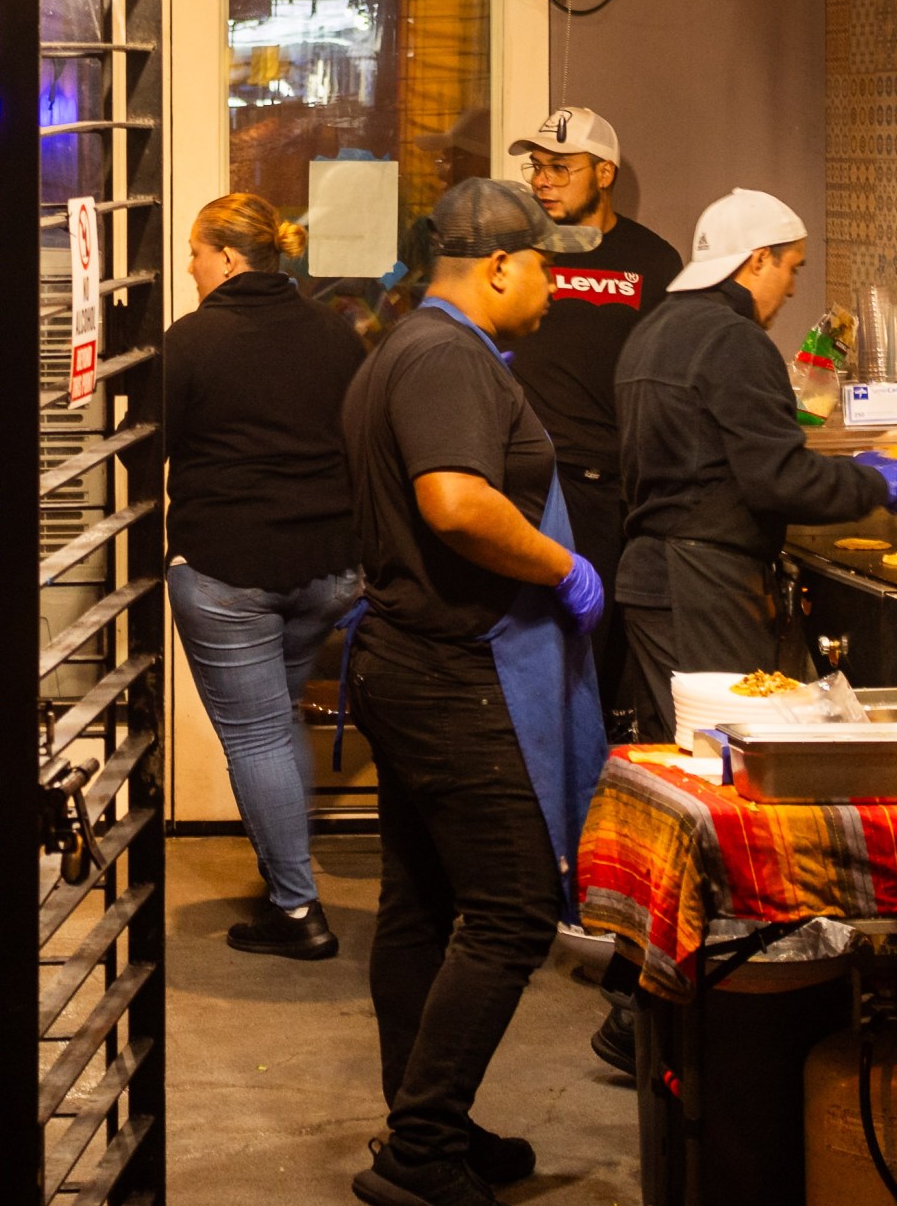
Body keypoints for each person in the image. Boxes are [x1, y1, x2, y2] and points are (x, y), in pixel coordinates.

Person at [340, 178, 609, 1206]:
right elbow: (453, 501)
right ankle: (420, 1148)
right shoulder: (447, 355)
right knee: (511, 905)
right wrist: (558, 566)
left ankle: (423, 1117)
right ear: (499, 264)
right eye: (546, 262)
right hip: (450, 669)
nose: (554, 280)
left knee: (422, 900)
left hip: (409, 657)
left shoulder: (409, 345)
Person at [614, 191, 897, 741]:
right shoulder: (733, 340)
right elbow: (779, 479)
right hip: (705, 587)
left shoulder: (652, 332)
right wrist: (875, 481)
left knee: (680, 757)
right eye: (792, 266)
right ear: (757, 260)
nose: (794, 287)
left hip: (650, 579)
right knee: (729, 753)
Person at [158, 190, 367, 961]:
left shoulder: (194, 340)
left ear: (229, 256)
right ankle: (286, 873)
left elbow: (141, 442)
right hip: (328, 572)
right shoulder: (337, 335)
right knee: (276, 720)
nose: (189, 264)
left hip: (230, 573)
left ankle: (295, 906)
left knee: (255, 735)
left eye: (195, 250)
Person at [501, 107, 678, 726]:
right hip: (521, 484)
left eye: (559, 167)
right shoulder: (516, 252)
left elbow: (670, 377)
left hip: (605, 493)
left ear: (603, 172)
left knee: (597, 665)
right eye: (536, 167)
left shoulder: (651, 261)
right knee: (526, 657)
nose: (542, 180)